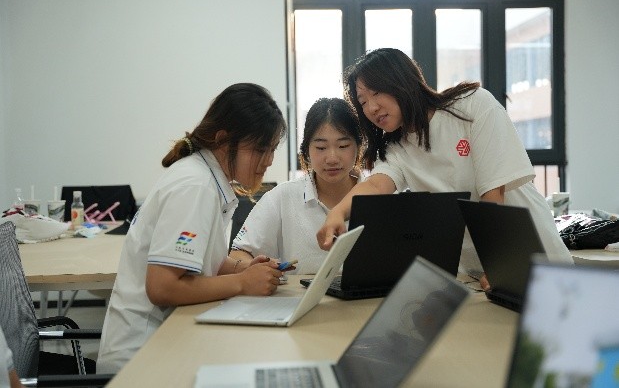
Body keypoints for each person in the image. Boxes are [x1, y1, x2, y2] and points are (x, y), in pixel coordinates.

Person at [317, 48, 573, 286]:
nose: (372, 108)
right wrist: (337, 213)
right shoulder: (397, 147)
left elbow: (493, 193)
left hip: (529, 254)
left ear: (401, 81)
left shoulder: (471, 105)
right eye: (362, 102)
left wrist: (498, 263)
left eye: (376, 93)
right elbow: (376, 184)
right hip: (476, 272)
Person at [97, 83, 287, 373]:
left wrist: (243, 269)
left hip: (168, 341)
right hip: (141, 359)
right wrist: (242, 283)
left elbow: (196, 261)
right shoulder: (195, 186)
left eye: (272, 149)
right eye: (261, 149)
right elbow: (162, 287)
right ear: (223, 140)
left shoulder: (206, 179)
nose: (269, 160)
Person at [229, 97, 364, 274]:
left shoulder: (379, 195)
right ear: (306, 150)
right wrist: (255, 268)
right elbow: (238, 254)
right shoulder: (281, 197)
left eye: (343, 146)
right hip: (297, 293)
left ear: (359, 147)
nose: (332, 158)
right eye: (321, 148)